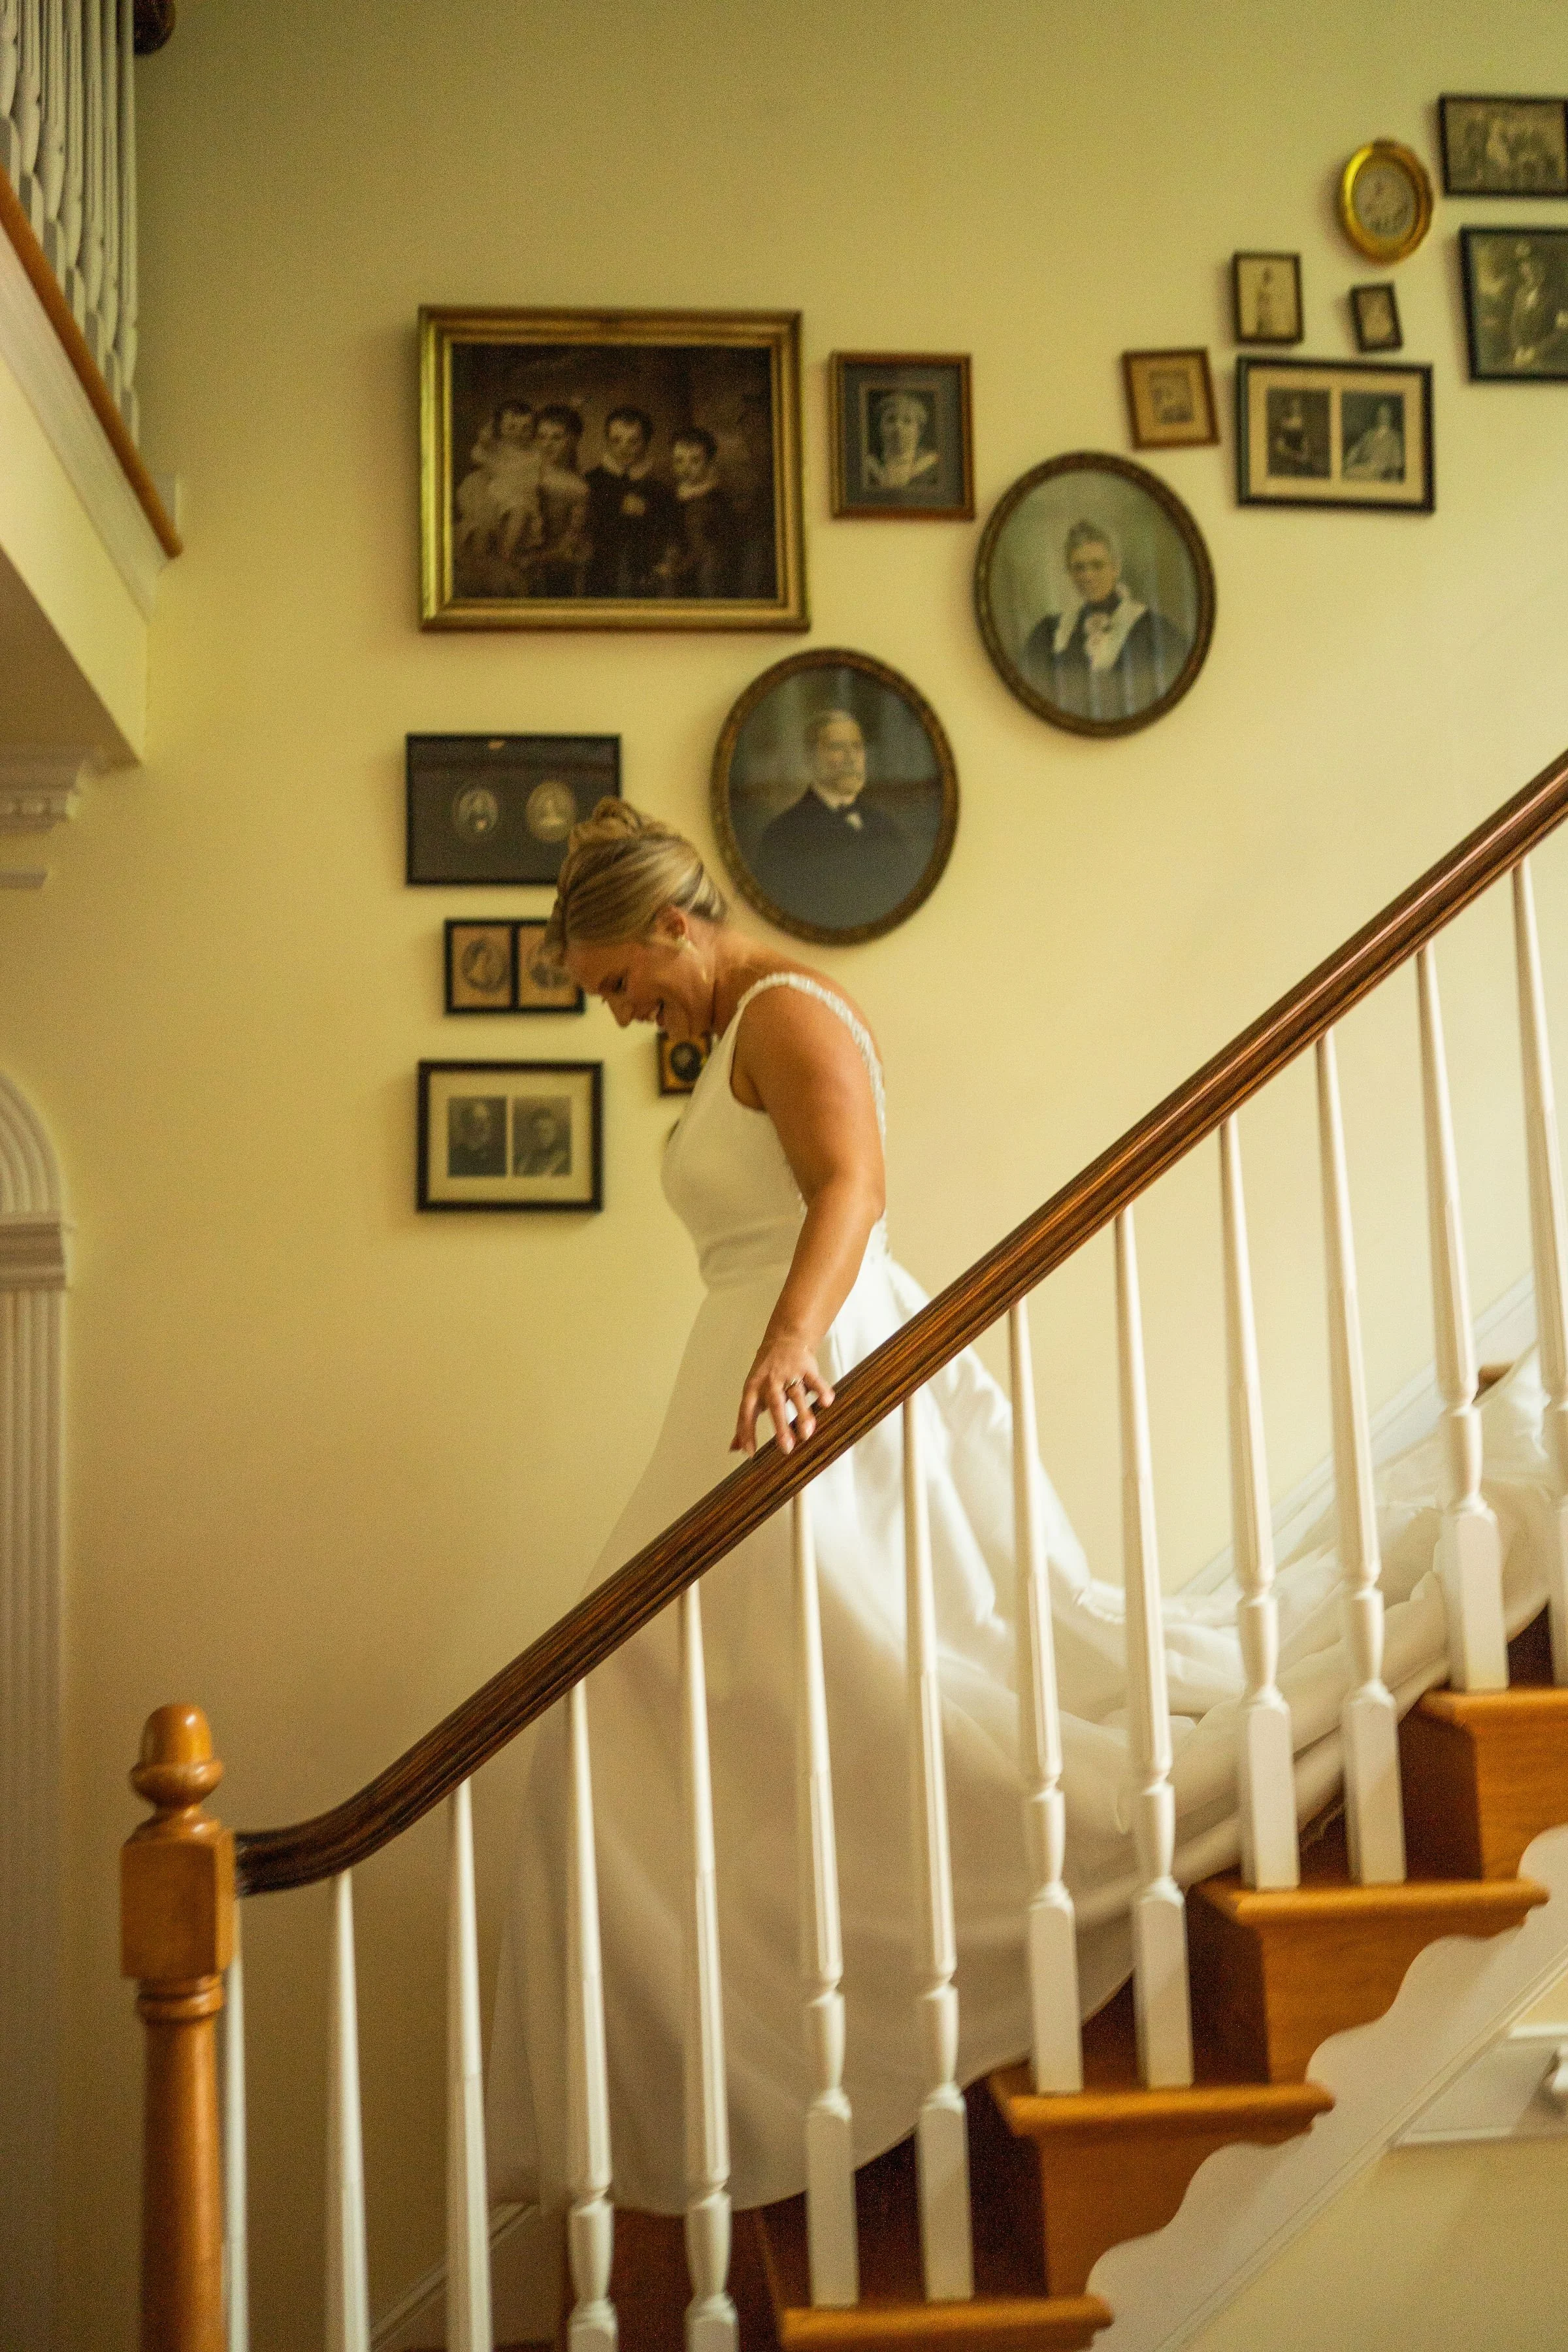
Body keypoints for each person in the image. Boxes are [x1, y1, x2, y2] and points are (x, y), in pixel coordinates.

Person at [484, 800, 1557, 2226]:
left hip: (811, 1379)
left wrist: (794, 1344)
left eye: (623, 981)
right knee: (696, 1717)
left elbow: (852, 1187)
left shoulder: (786, 1013)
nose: (626, 1014)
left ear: (676, 924)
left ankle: (852, 2017)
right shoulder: (736, 1025)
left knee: (810, 1698)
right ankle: (759, 2062)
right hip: (757, 1382)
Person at [749, 708, 928, 930]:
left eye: (857, 747)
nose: (851, 758)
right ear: (810, 759)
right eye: (837, 747)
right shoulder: (783, 834)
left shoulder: (885, 825)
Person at [1020, 522, 1190, 723]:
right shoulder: (1051, 632)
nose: (1087, 576)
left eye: (1097, 565)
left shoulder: (1153, 630)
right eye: (1079, 568)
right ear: (1070, 573)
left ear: (1115, 569)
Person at [584, 406, 682, 596]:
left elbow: (671, 532)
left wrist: (649, 512)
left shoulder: (660, 488)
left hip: (646, 575)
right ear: (607, 441)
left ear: (646, 443)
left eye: (633, 441)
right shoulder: (592, 482)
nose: (624, 448)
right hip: (602, 575)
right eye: (616, 440)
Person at [656, 425, 741, 598]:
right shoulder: (672, 496)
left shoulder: (715, 500)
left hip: (704, 573)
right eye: (679, 461)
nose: (686, 468)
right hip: (678, 566)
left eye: (695, 461)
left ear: (709, 463)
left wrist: (675, 568)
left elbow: (705, 549)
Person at [520, 406, 591, 598]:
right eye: (542, 437)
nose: (547, 445)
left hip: (553, 562)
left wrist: (539, 559)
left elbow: (573, 537)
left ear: (573, 440)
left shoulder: (578, 487)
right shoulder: (526, 472)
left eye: (556, 438)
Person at [862, 388, 940, 493]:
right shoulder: (868, 466)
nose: (898, 427)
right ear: (880, 427)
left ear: (919, 430)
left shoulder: (934, 465)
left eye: (907, 421)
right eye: (891, 419)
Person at [1342, 400, 1405, 482]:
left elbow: (1397, 463)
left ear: (1390, 416)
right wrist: (1348, 461)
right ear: (1377, 416)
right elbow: (1356, 450)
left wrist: (1386, 473)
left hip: (1383, 474)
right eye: (1380, 413)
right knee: (1348, 473)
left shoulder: (1395, 437)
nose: (1382, 416)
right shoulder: (1369, 434)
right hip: (1366, 468)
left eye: (1385, 414)